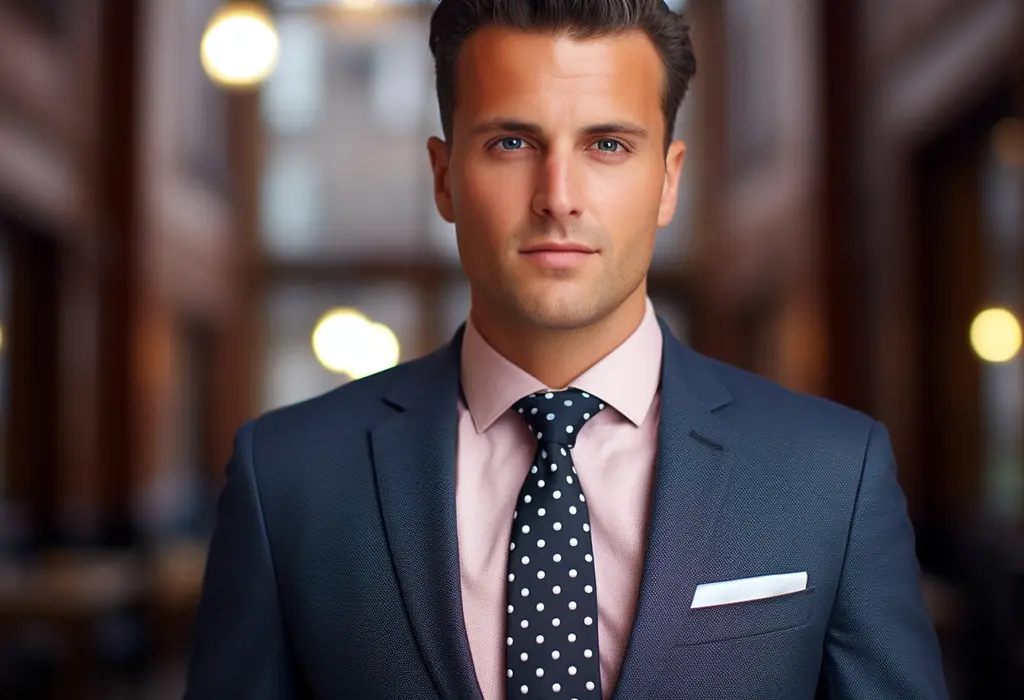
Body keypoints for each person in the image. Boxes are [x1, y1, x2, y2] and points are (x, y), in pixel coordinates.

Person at [183, 1, 949, 698]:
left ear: (667, 181)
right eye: (512, 141)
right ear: (445, 179)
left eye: (608, 144)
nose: (558, 194)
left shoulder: (832, 473)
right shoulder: (284, 478)